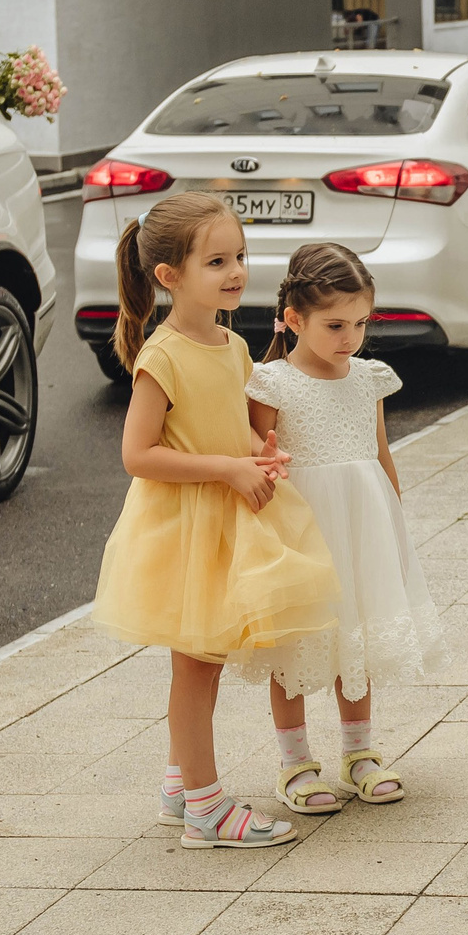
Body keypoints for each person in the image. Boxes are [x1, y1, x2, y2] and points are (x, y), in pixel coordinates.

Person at [93, 191, 341, 850]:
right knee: (195, 664)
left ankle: (182, 783)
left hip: (226, 519)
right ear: (170, 276)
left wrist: (257, 454)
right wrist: (227, 470)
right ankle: (205, 807)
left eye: (240, 256)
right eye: (216, 261)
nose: (235, 271)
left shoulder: (232, 345)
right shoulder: (164, 354)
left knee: (208, 659)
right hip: (184, 526)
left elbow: (232, 424)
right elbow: (137, 454)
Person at [238, 243, 442, 814]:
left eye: (360, 322)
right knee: (296, 644)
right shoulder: (272, 383)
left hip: (362, 526)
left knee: (361, 632)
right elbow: (262, 457)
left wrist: (396, 523)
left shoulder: (368, 378)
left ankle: (360, 753)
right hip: (302, 529)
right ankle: (296, 763)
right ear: (295, 319)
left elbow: (379, 454)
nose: (349, 336)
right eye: (334, 324)